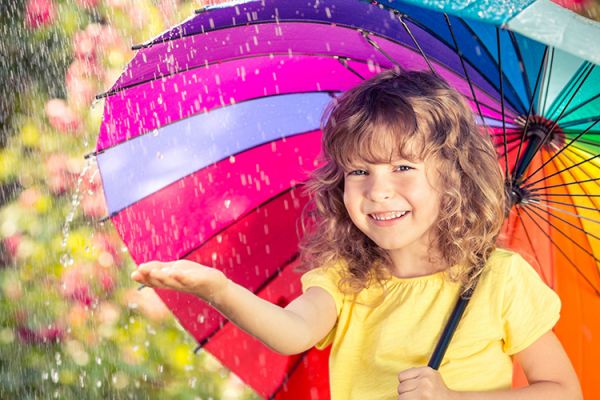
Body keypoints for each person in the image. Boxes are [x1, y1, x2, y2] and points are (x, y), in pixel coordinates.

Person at [131, 70, 582, 399]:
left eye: (403, 167)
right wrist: (220, 289)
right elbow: (292, 333)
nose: (378, 190)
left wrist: (454, 399)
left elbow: (562, 390)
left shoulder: (499, 280)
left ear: (452, 177)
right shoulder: (347, 278)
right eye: (360, 171)